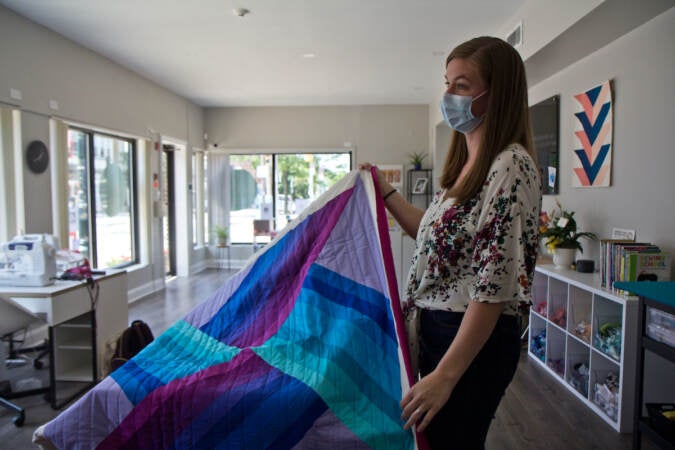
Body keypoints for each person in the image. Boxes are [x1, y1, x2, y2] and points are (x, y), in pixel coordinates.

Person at [360, 36, 541, 449]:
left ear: (497, 94)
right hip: (440, 333)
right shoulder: (466, 168)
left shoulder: (510, 165)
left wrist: (445, 375)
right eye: (447, 83)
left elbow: (494, 283)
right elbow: (434, 235)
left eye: (461, 85)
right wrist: (385, 194)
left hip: (468, 341)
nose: (447, 95)